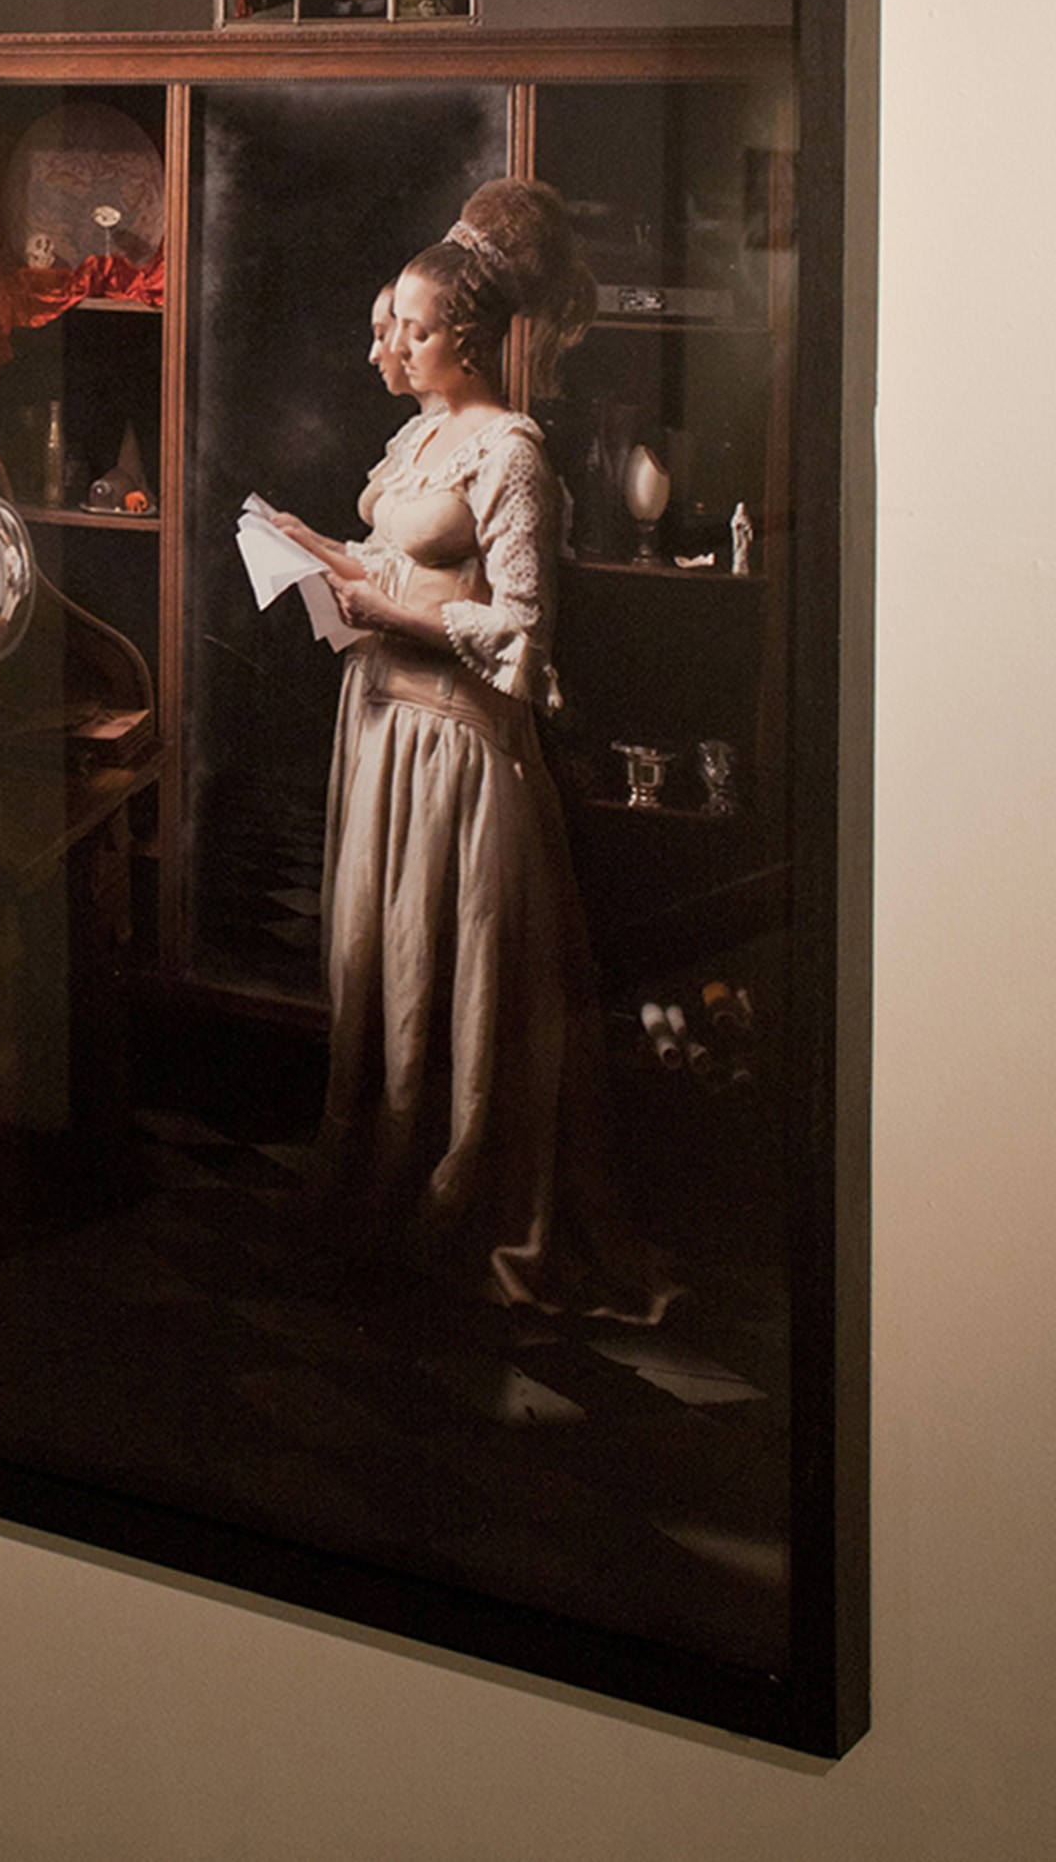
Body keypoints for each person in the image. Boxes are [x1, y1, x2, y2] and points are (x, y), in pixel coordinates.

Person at [270, 180, 678, 1322]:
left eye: (408, 328)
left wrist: (389, 614)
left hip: (456, 750)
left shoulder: (512, 452)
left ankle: (459, 1205)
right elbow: (399, 562)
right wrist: (317, 551)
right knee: (378, 966)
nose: (389, 346)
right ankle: (377, 1186)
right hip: (381, 728)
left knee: (446, 975)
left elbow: (522, 627)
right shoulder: (420, 435)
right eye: (390, 328)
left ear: (466, 337)